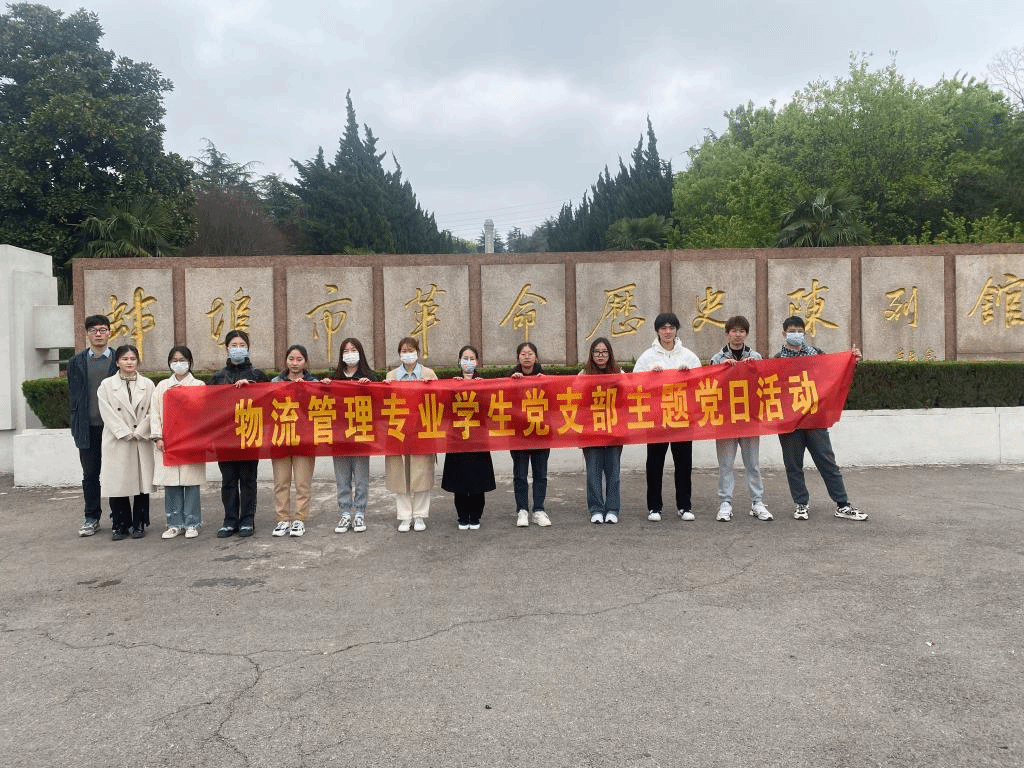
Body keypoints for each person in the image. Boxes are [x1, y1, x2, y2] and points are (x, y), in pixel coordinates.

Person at [774, 315, 867, 522]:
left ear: (804, 333)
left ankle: (842, 504)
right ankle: (801, 503)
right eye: (792, 331)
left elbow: (836, 371)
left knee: (827, 463)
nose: (796, 334)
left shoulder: (816, 354)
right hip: (789, 423)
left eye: (800, 331)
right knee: (793, 465)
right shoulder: (777, 359)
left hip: (815, 420)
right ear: (784, 334)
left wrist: (853, 360)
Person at [632, 312, 702, 522]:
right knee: (655, 463)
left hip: (681, 416)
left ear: (677, 330)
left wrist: (689, 374)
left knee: (683, 463)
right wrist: (650, 376)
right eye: (663, 328)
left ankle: (684, 506)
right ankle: (654, 507)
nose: (668, 332)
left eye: (671, 328)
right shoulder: (647, 357)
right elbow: (635, 384)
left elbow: (701, 384)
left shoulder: (689, 356)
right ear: (657, 331)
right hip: (656, 418)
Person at [710, 316, 771, 522]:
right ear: (727, 333)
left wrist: (753, 369)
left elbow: (764, 385)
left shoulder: (756, 356)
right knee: (726, 465)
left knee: (752, 464)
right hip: (726, 420)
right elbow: (709, 388)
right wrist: (722, 371)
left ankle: (757, 502)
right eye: (734, 331)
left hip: (749, 419)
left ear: (746, 334)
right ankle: (725, 502)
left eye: (741, 331)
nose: (738, 335)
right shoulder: (717, 358)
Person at [210, 330, 269, 538]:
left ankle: (247, 520)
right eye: (233, 345)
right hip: (224, 437)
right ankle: (230, 520)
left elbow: (269, 401)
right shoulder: (217, 377)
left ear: (248, 348)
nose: (238, 349)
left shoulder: (258, 376)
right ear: (226, 348)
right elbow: (208, 407)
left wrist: (251, 388)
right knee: (228, 480)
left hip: (249, 434)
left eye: (242, 345)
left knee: (248, 479)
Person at [97, 345, 155, 540]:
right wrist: (123, 432)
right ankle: (120, 524)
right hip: (117, 439)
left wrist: (141, 431)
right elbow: (106, 412)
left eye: (132, 358)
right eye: (125, 359)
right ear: (117, 362)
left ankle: (140, 523)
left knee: (141, 485)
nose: (129, 362)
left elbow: (153, 411)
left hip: (140, 439)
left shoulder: (148, 384)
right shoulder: (106, 385)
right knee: (118, 484)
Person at [151, 346, 207, 539]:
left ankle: (192, 523)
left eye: (182, 360)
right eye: (174, 360)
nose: (178, 363)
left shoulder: (199, 385)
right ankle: (174, 524)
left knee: (191, 483)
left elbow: (204, 413)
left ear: (190, 362)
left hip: (191, 442)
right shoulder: (162, 386)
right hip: (168, 442)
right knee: (171, 484)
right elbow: (154, 413)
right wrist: (158, 437)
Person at [69, 314, 117, 537]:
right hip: (87, 428)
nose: (98, 334)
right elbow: (74, 396)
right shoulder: (76, 362)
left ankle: (119, 517)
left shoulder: (118, 359)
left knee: (116, 472)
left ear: (109, 332)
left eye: (102, 329)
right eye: (94, 330)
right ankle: (91, 517)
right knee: (90, 475)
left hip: (114, 429)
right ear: (87, 334)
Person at [384, 337, 437, 532]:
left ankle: (420, 515)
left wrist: (430, 387)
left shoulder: (428, 374)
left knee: (421, 474)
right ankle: (405, 516)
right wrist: (384, 388)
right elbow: (382, 405)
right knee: (401, 475)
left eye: (411, 350)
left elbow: (440, 401)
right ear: (399, 354)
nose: (408, 354)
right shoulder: (391, 376)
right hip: (398, 433)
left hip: (421, 432)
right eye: (404, 351)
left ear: (418, 352)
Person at [441, 346, 496, 530]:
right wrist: (452, 388)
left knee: (478, 476)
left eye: (472, 358)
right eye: (465, 358)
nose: (468, 362)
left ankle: (476, 516)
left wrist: (483, 389)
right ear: (459, 361)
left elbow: (491, 408)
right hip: (457, 437)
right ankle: (463, 516)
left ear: (477, 362)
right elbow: (444, 407)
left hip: (478, 437)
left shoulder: (484, 383)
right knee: (459, 477)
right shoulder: (451, 383)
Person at [327, 337, 377, 533]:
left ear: (360, 352)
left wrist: (370, 386)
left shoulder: (370, 376)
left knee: (361, 478)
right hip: (339, 436)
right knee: (342, 478)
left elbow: (380, 402)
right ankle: (345, 513)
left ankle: (360, 513)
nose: (350, 354)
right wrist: (324, 386)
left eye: (353, 350)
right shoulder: (335, 377)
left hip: (361, 434)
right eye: (346, 351)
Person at [270, 344, 319, 538]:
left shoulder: (313, 382)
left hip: (304, 439)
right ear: (286, 361)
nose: (295, 363)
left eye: (299, 359)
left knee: (302, 483)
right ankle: (282, 519)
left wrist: (307, 389)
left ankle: (299, 519)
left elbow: (319, 407)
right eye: (291, 359)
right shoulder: (275, 382)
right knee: (281, 482)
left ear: (305, 362)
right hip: (280, 438)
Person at [578, 338, 623, 524]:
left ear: (609, 354)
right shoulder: (584, 374)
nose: (600, 355)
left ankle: (612, 509)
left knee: (613, 472)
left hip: (614, 430)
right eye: (597, 352)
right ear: (591, 354)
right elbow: (575, 398)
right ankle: (596, 509)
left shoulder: (619, 373)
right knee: (593, 473)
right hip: (591, 431)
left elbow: (630, 394)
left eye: (604, 352)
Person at [509, 341, 551, 528]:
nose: (527, 357)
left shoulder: (545, 377)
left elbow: (555, 402)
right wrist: (511, 383)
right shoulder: (510, 377)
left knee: (540, 474)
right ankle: (522, 510)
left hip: (541, 433)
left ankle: (539, 510)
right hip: (519, 435)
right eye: (523, 354)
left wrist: (546, 384)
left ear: (536, 357)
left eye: (530, 353)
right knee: (520, 474)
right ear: (518, 357)